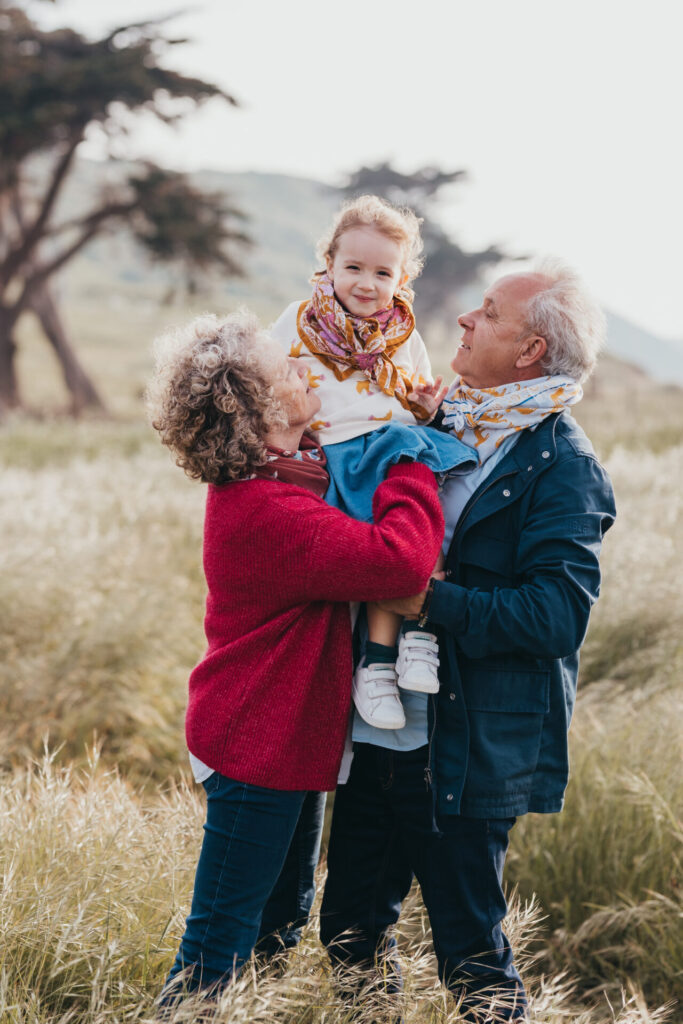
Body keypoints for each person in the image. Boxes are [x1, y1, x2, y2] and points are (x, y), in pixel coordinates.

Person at [319, 260, 617, 1022]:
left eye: (487, 313)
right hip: (378, 726)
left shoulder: (563, 466)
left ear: (527, 353)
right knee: (349, 939)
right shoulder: (443, 420)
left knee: (472, 961)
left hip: (466, 741)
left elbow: (553, 616)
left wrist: (424, 597)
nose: (462, 320)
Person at [146, 309, 446, 1004]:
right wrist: (408, 456)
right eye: (286, 368)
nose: (304, 368)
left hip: (282, 744)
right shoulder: (268, 510)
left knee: (276, 928)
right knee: (212, 951)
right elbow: (400, 564)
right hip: (256, 746)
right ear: (254, 412)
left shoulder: (292, 476)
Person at [270, 195, 474, 733]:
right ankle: (374, 665)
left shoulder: (402, 335)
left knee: (419, 537)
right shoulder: (298, 321)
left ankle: (408, 642)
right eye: (353, 267)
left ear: (401, 279)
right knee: (372, 558)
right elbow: (263, 380)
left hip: (391, 446)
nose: (366, 282)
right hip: (335, 455)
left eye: (382, 272)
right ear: (329, 263)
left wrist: (428, 407)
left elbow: (415, 394)